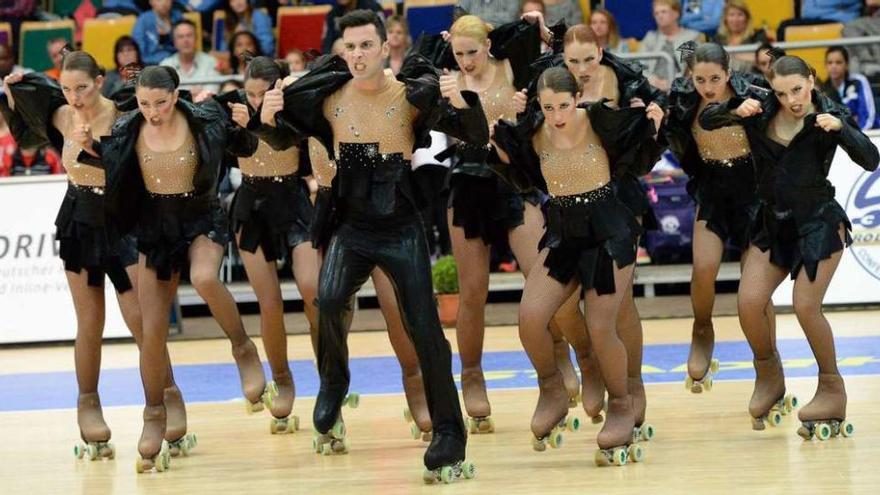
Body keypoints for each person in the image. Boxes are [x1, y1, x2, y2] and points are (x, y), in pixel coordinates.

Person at [257, 9, 488, 480]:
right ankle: (333, 382)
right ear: (341, 52)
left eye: (367, 46)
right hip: (352, 224)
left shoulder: (411, 95)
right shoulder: (327, 98)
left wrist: (462, 102)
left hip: (400, 223)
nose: (358, 55)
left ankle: (449, 433)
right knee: (329, 298)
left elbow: (477, 136)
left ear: (386, 49)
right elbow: (279, 136)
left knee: (423, 327)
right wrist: (266, 115)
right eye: (351, 47)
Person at [0, 52, 190, 463]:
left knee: (142, 321)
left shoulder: (127, 116)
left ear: (100, 81)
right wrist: (18, 85)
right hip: (80, 222)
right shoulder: (62, 114)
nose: (74, 97)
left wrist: (93, 150)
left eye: (81, 88)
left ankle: (165, 397)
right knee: (90, 321)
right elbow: (29, 102)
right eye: (67, 89)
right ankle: (88, 402)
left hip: (123, 223)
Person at [99, 65, 267, 471]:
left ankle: (242, 347)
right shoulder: (127, 131)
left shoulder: (204, 118)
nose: (152, 112)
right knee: (151, 332)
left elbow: (246, 148)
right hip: (156, 227)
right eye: (144, 104)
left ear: (176, 96)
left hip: (199, 216)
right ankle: (154, 412)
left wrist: (246, 125)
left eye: (160, 103)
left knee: (204, 277)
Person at [700, 55, 879, 436]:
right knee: (748, 303)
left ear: (811, 81)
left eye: (797, 89)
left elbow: (870, 158)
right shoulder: (761, 109)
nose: (791, 99)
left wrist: (842, 129)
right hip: (773, 223)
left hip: (818, 223)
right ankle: (769, 375)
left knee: (805, 305)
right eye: (782, 93)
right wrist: (735, 107)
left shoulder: (830, 114)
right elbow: (706, 120)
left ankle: (832, 386)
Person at [494, 66, 662, 464]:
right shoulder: (532, 132)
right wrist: (502, 135)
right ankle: (552, 387)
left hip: (609, 233)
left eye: (563, 105)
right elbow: (516, 173)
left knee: (601, 325)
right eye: (548, 107)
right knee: (531, 316)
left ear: (577, 97)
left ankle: (621, 402)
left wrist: (653, 121)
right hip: (564, 236)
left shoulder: (600, 120)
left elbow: (640, 152)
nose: (557, 115)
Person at [425, 14, 584, 432]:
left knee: (542, 276)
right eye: (458, 54)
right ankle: (472, 376)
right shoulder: (447, 82)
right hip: (467, 183)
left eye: (472, 53)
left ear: (489, 45)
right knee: (472, 291)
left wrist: (538, 27)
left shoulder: (513, 67)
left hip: (514, 181)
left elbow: (553, 58)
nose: (466, 62)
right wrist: (452, 92)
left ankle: (558, 358)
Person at [528, 22, 667, 434]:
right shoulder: (556, 91)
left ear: (601, 52)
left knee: (616, 304)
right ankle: (589, 365)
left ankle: (630, 385)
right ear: (561, 61)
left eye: (589, 59)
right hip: (568, 195)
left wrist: (649, 114)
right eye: (573, 61)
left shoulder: (624, 77)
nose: (583, 68)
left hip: (617, 194)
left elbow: (652, 118)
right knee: (567, 305)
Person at [664, 41, 775, 394]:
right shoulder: (683, 100)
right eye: (700, 79)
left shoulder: (753, 95)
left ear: (729, 73)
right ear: (690, 76)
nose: (708, 87)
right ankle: (701, 329)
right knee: (704, 267)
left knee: (753, 287)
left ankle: (768, 361)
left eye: (715, 78)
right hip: (712, 189)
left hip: (753, 192)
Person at [218, 56, 320, 434]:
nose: (257, 99)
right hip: (252, 206)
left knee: (313, 289)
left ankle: (327, 369)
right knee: (269, 302)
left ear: (279, 88)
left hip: (293, 202)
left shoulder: (295, 110)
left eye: (264, 93)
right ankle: (282, 379)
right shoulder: (234, 111)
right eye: (251, 93)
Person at [639, 0, 703, 92]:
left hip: (681, 90)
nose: (660, 16)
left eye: (664, 12)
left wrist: (672, 84)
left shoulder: (691, 37)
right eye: (656, 13)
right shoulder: (650, 38)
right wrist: (652, 80)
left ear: (676, 13)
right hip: (652, 88)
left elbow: (694, 70)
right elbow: (640, 67)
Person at [819, 46, 876, 130]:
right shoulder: (822, 91)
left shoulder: (859, 81)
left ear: (846, 65)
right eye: (830, 63)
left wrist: (859, 136)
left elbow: (867, 115)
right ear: (826, 65)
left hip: (870, 133)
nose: (834, 66)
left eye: (838, 62)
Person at [161, 20, 221, 95]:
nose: (186, 40)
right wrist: (192, 94)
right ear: (174, 42)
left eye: (189, 35)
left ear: (196, 39)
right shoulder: (165, 65)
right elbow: (165, 95)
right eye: (180, 37)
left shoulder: (210, 62)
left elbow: (212, 92)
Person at [711, 0, 769, 72]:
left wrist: (734, 54)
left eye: (740, 14)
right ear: (725, 19)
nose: (735, 19)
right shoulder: (718, 38)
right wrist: (748, 57)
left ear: (747, 18)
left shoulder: (758, 35)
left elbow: (765, 59)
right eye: (731, 15)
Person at [132, 0, 183, 66]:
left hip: (177, 63)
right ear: (151, 2)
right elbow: (138, 51)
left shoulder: (177, 16)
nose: (164, 3)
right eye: (159, 0)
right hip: (151, 65)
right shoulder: (143, 20)